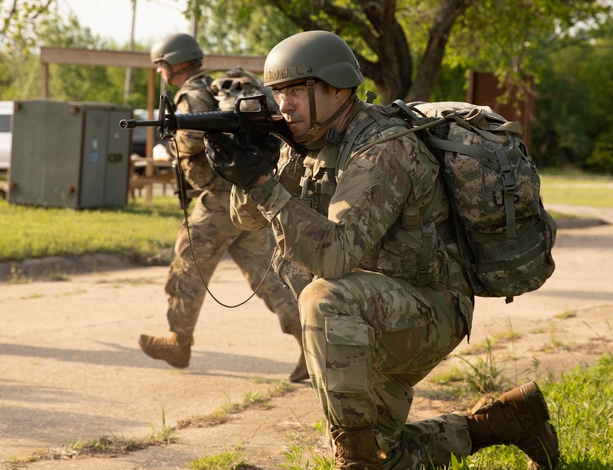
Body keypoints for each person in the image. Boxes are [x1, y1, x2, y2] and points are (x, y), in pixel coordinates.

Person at [205, 31, 559, 470]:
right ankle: (507, 421)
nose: (285, 104)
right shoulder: (310, 143)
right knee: (387, 456)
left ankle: (354, 463)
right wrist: (249, 169)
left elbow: (334, 257)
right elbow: (248, 220)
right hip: (374, 310)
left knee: (322, 300)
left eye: (298, 89)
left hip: (429, 307)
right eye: (279, 92)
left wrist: (262, 183)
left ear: (337, 89)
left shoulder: (383, 149)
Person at [137, 32, 309, 383]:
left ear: (174, 63)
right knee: (270, 278)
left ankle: (178, 341)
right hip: (244, 197)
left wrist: (174, 140)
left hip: (218, 199)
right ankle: (313, 343)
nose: (160, 73)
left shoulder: (194, 93)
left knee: (188, 262)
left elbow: (194, 135)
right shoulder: (210, 89)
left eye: (162, 66)